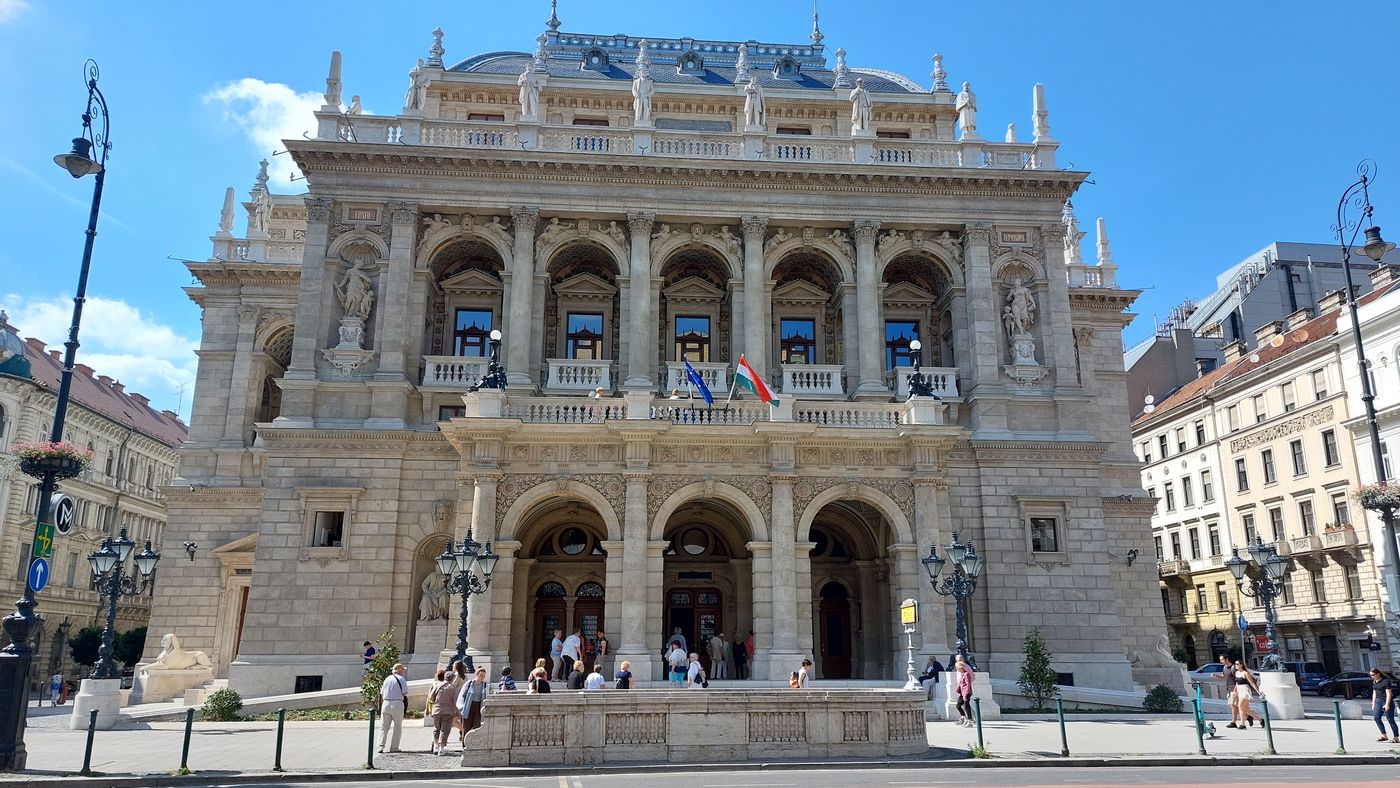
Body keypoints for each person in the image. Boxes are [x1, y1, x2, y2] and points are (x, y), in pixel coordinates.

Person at [377, 663, 408, 754]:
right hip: (397, 703)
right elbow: (405, 692)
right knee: (397, 726)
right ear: (400, 670)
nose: (403, 672)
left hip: (386, 703)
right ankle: (394, 747)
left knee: (383, 726)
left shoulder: (387, 679)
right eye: (403, 670)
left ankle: (380, 746)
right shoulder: (401, 679)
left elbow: (382, 693)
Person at [429, 667, 461, 756]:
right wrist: (458, 713)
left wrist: (436, 703)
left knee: (436, 729)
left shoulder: (437, 685)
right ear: (453, 679)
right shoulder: (453, 688)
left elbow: (431, 697)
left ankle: (435, 747)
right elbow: (455, 702)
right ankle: (441, 749)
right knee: (444, 730)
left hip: (436, 710)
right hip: (448, 711)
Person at [457, 667, 489, 736]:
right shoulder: (469, 683)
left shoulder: (485, 685)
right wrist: (461, 706)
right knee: (466, 725)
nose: (482, 677)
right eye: (481, 675)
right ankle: (464, 741)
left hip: (478, 706)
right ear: (477, 675)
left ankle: (475, 741)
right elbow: (462, 695)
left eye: (483, 676)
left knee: (477, 725)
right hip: (469, 706)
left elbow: (486, 696)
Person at [1370, 668, 1398, 743]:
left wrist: (1387, 704)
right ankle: (1384, 735)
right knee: (1376, 718)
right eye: (1371, 675)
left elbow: (1389, 693)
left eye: (1373, 675)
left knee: (1390, 720)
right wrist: (1373, 703)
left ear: (1378, 674)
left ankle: (1396, 737)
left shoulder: (1385, 681)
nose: (1372, 677)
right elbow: (1374, 692)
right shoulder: (1374, 682)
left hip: (1386, 701)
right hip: (1378, 701)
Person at [1232, 661, 1261, 728]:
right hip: (1239, 690)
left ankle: (1243, 724)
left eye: (1237, 664)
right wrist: (1234, 691)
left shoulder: (1245, 673)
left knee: (1240, 706)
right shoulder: (1236, 673)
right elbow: (1237, 683)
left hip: (1245, 690)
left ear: (1241, 665)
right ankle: (1260, 719)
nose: (1236, 665)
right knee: (1245, 709)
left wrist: (1258, 692)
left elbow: (1252, 683)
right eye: (1235, 664)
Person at [1217, 653, 1241, 728]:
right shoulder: (1224, 667)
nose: (1221, 661)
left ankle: (1233, 722)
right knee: (1237, 706)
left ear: (1227, 659)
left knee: (1234, 706)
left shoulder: (1233, 668)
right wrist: (1216, 676)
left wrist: (1235, 690)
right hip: (1229, 689)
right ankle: (1249, 716)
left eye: (1222, 660)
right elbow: (1224, 677)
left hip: (1234, 689)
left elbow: (1238, 679)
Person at [954, 655, 974, 727]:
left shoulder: (966, 674)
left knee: (966, 706)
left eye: (957, 668)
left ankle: (970, 721)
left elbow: (968, 685)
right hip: (962, 693)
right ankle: (964, 717)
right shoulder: (962, 674)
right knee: (958, 705)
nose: (956, 669)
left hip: (966, 693)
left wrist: (965, 695)